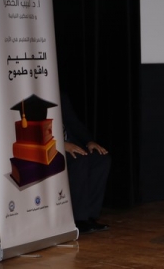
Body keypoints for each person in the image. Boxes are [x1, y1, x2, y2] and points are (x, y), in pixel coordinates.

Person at [61, 91, 111, 234]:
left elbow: (74, 123)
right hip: (49, 147)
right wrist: (60, 144)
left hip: (70, 143)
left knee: (101, 159)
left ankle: (91, 216)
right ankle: (79, 219)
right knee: (79, 160)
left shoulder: (60, 96)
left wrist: (89, 141)